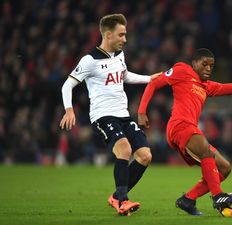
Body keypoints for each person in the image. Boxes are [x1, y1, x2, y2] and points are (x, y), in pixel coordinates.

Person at [138, 48, 232, 216]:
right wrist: (142, 111)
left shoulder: (207, 87)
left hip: (190, 130)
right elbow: (154, 83)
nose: (208, 68)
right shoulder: (181, 70)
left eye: (211, 66)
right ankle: (218, 196)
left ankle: (188, 199)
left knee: (225, 168)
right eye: (204, 64)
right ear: (194, 63)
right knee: (204, 148)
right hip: (179, 126)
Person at [59, 13, 160, 216]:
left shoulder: (119, 56)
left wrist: (150, 79)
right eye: (121, 35)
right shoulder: (89, 60)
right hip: (103, 115)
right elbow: (67, 85)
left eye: (125, 34)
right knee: (124, 150)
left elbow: (125, 75)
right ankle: (122, 201)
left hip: (123, 115)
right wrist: (69, 109)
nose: (125, 39)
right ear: (108, 35)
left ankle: (116, 196)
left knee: (145, 156)